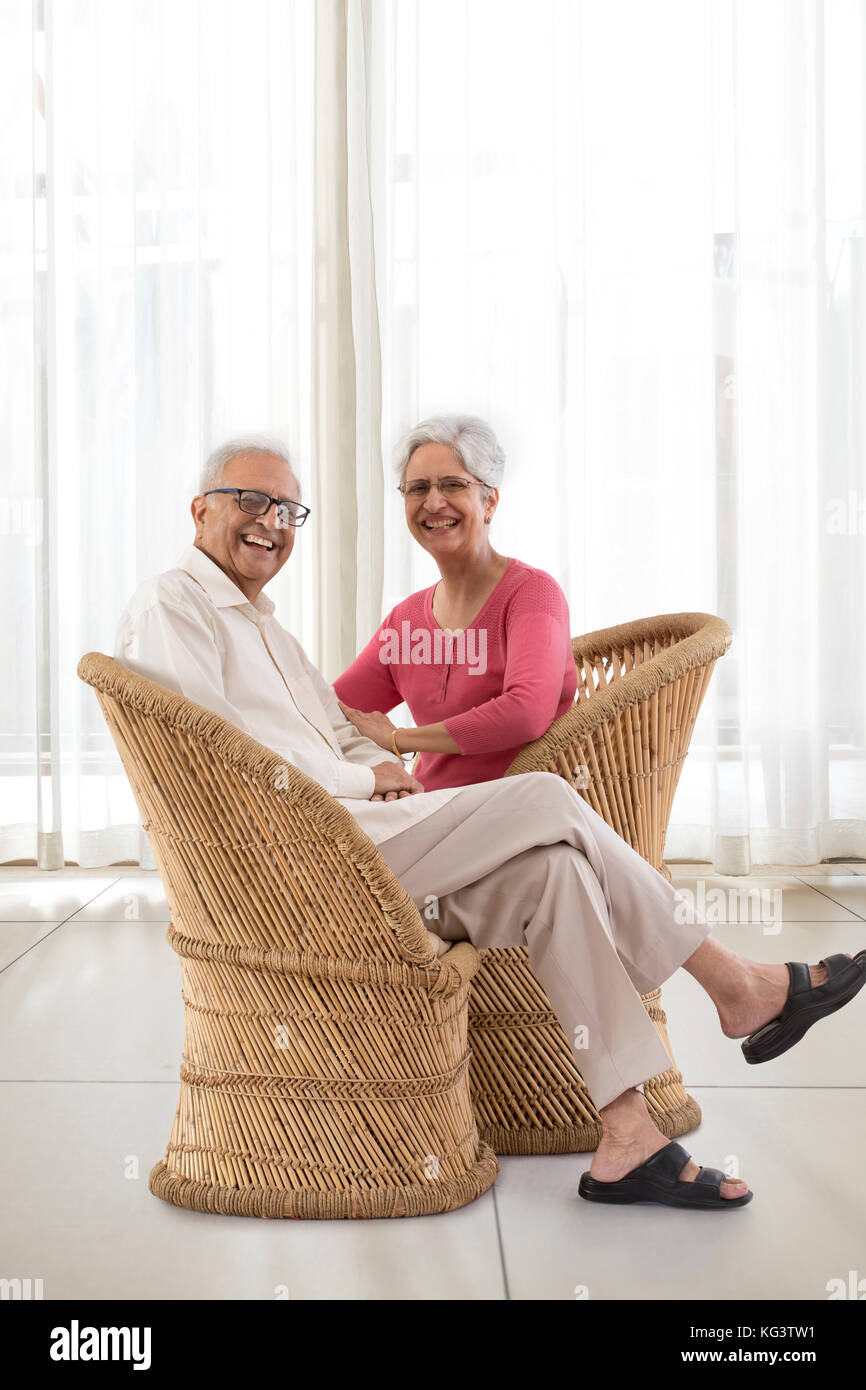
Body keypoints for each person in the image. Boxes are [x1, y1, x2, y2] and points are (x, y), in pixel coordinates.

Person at [115, 435, 866, 1210]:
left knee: (557, 874)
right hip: (303, 860)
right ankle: (734, 982)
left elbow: (342, 724)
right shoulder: (175, 603)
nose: (271, 521)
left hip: (367, 841)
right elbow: (218, 758)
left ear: (487, 499)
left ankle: (628, 1136)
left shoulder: (269, 627)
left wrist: (386, 771)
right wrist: (364, 772)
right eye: (251, 500)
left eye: (287, 508)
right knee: (545, 797)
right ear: (200, 507)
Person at [333, 415, 577, 790]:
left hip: (527, 817)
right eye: (417, 488)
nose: (433, 502)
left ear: (489, 501)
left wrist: (400, 740)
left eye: (452, 485)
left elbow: (525, 713)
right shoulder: (406, 623)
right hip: (431, 814)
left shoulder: (533, 594)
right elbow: (331, 711)